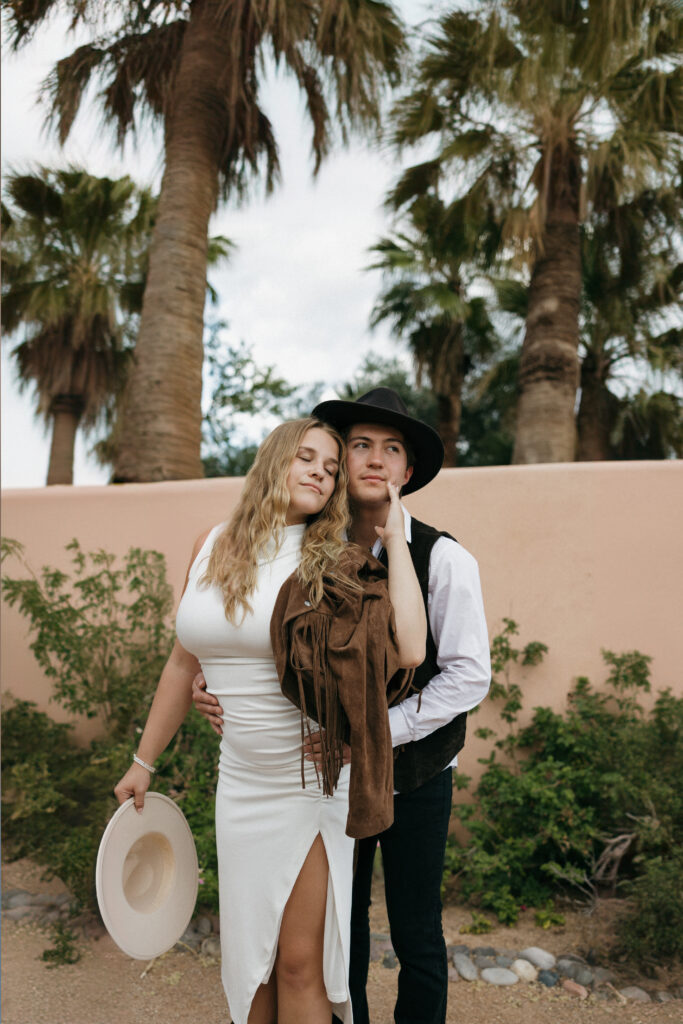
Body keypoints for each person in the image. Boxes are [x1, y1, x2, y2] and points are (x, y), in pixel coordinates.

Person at [113, 416, 426, 1024]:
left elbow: (409, 649)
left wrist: (397, 538)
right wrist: (142, 763)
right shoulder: (212, 543)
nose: (321, 471)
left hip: (305, 783)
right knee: (248, 965)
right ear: (274, 461)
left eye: (331, 467)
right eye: (307, 457)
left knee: (298, 964)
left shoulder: (332, 562)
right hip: (240, 781)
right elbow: (183, 664)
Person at [193, 390, 491, 1024]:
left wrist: (380, 733)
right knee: (337, 933)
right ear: (343, 458)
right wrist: (211, 682)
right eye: (360, 446)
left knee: (415, 932)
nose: (375, 461)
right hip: (326, 777)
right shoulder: (308, 549)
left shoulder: (446, 558)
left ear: (408, 472)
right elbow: (264, 637)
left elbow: (467, 677)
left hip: (415, 772)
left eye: (392, 450)